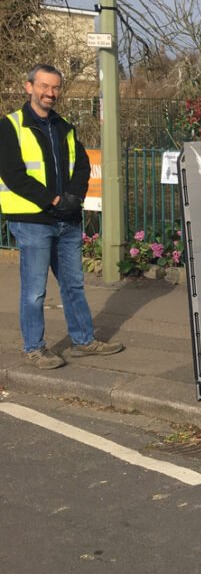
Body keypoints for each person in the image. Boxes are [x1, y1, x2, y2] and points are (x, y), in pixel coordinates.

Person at [0, 64, 125, 369]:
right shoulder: (10, 126)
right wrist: (54, 199)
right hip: (32, 219)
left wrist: (74, 197)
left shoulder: (65, 126)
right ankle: (34, 347)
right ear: (29, 87)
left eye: (55, 87)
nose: (50, 93)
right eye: (44, 86)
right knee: (34, 290)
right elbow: (14, 174)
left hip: (65, 219)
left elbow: (81, 165)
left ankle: (83, 340)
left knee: (73, 284)